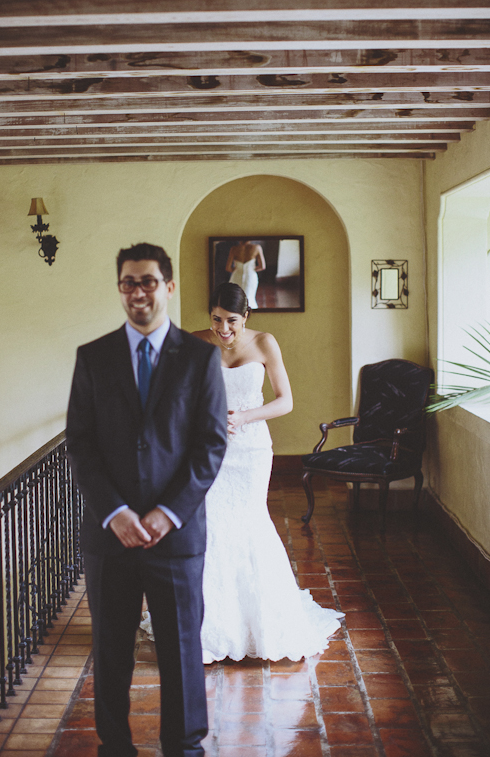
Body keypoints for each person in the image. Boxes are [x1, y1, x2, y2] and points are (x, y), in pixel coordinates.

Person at [66, 243, 227, 757]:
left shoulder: (200, 358)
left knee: (180, 652)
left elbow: (210, 443)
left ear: (169, 287)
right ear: (120, 290)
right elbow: (82, 441)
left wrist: (168, 512)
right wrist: (115, 512)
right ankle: (115, 747)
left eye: (149, 281)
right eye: (128, 283)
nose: (138, 292)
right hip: (109, 537)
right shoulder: (92, 357)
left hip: (176, 536)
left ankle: (184, 748)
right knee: (111, 652)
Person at [192, 282, 344, 663]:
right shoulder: (195, 342)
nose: (223, 330)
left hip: (250, 450)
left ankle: (259, 621)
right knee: (209, 526)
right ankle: (211, 625)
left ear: (246, 317)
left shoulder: (265, 343)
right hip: (208, 448)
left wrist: (243, 416)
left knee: (248, 523)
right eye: (216, 320)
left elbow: (286, 401)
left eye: (231, 321)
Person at [225, 240, 266, 309]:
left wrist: (237, 269)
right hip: (250, 275)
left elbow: (228, 268)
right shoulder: (257, 247)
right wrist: (251, 269)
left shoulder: (234, 249)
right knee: (249, 298)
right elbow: (262, 266)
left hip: (237, 275)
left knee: (235, 298)